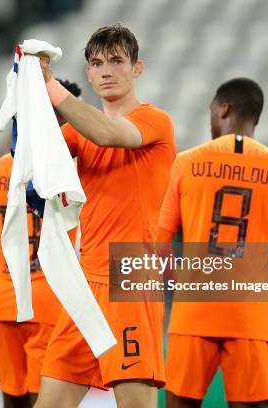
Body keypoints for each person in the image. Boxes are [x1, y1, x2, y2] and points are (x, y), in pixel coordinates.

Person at [33, 24, 176, 408]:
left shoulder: (155, 121)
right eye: (96, 63)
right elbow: (30, 160)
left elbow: (109, 134)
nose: (106, 71)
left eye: (116, 61)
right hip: (86, 283)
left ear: (138, 69)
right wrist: (27, 98)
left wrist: (51, 87)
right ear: (88, 74)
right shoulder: (78, 133)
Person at [157, 78, 268, 407]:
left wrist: (181, 284)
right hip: (249, 315)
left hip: (194, 311)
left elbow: (158, 244)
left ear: (224, 109)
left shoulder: (185, 163)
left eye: (212, 110)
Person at [0, 80, 82, 408]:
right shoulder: (69, 175)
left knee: (11, 401)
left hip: (4, 303)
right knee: (46, 400)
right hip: (50, 303)